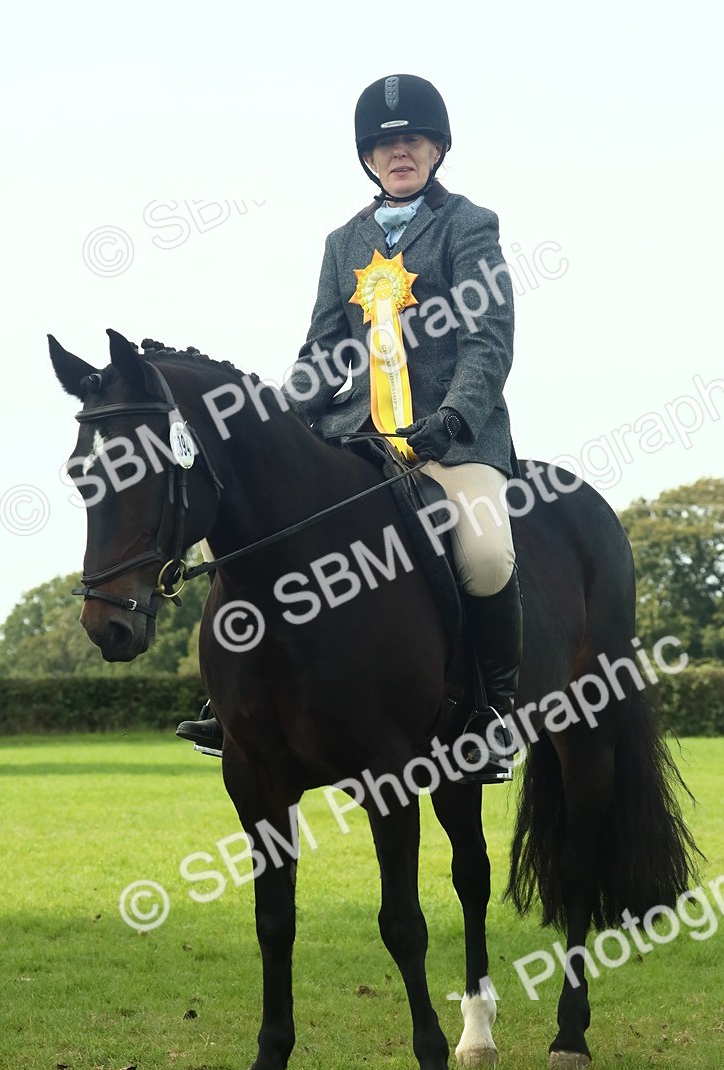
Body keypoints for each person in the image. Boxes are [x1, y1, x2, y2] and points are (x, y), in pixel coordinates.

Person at [178, 73, 522, 780]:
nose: (400, 153)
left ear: (436, 149)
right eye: (386, 144)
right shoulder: (344, 243)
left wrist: (453, 416)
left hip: (451, 439)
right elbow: (324, 351)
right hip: (357, 437)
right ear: (369, 157)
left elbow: (488, 339)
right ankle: (234, 701)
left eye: (413, 141)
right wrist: (279, 417)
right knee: (270, 524)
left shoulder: (468, 225)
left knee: (487, 555)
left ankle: (493, 716)